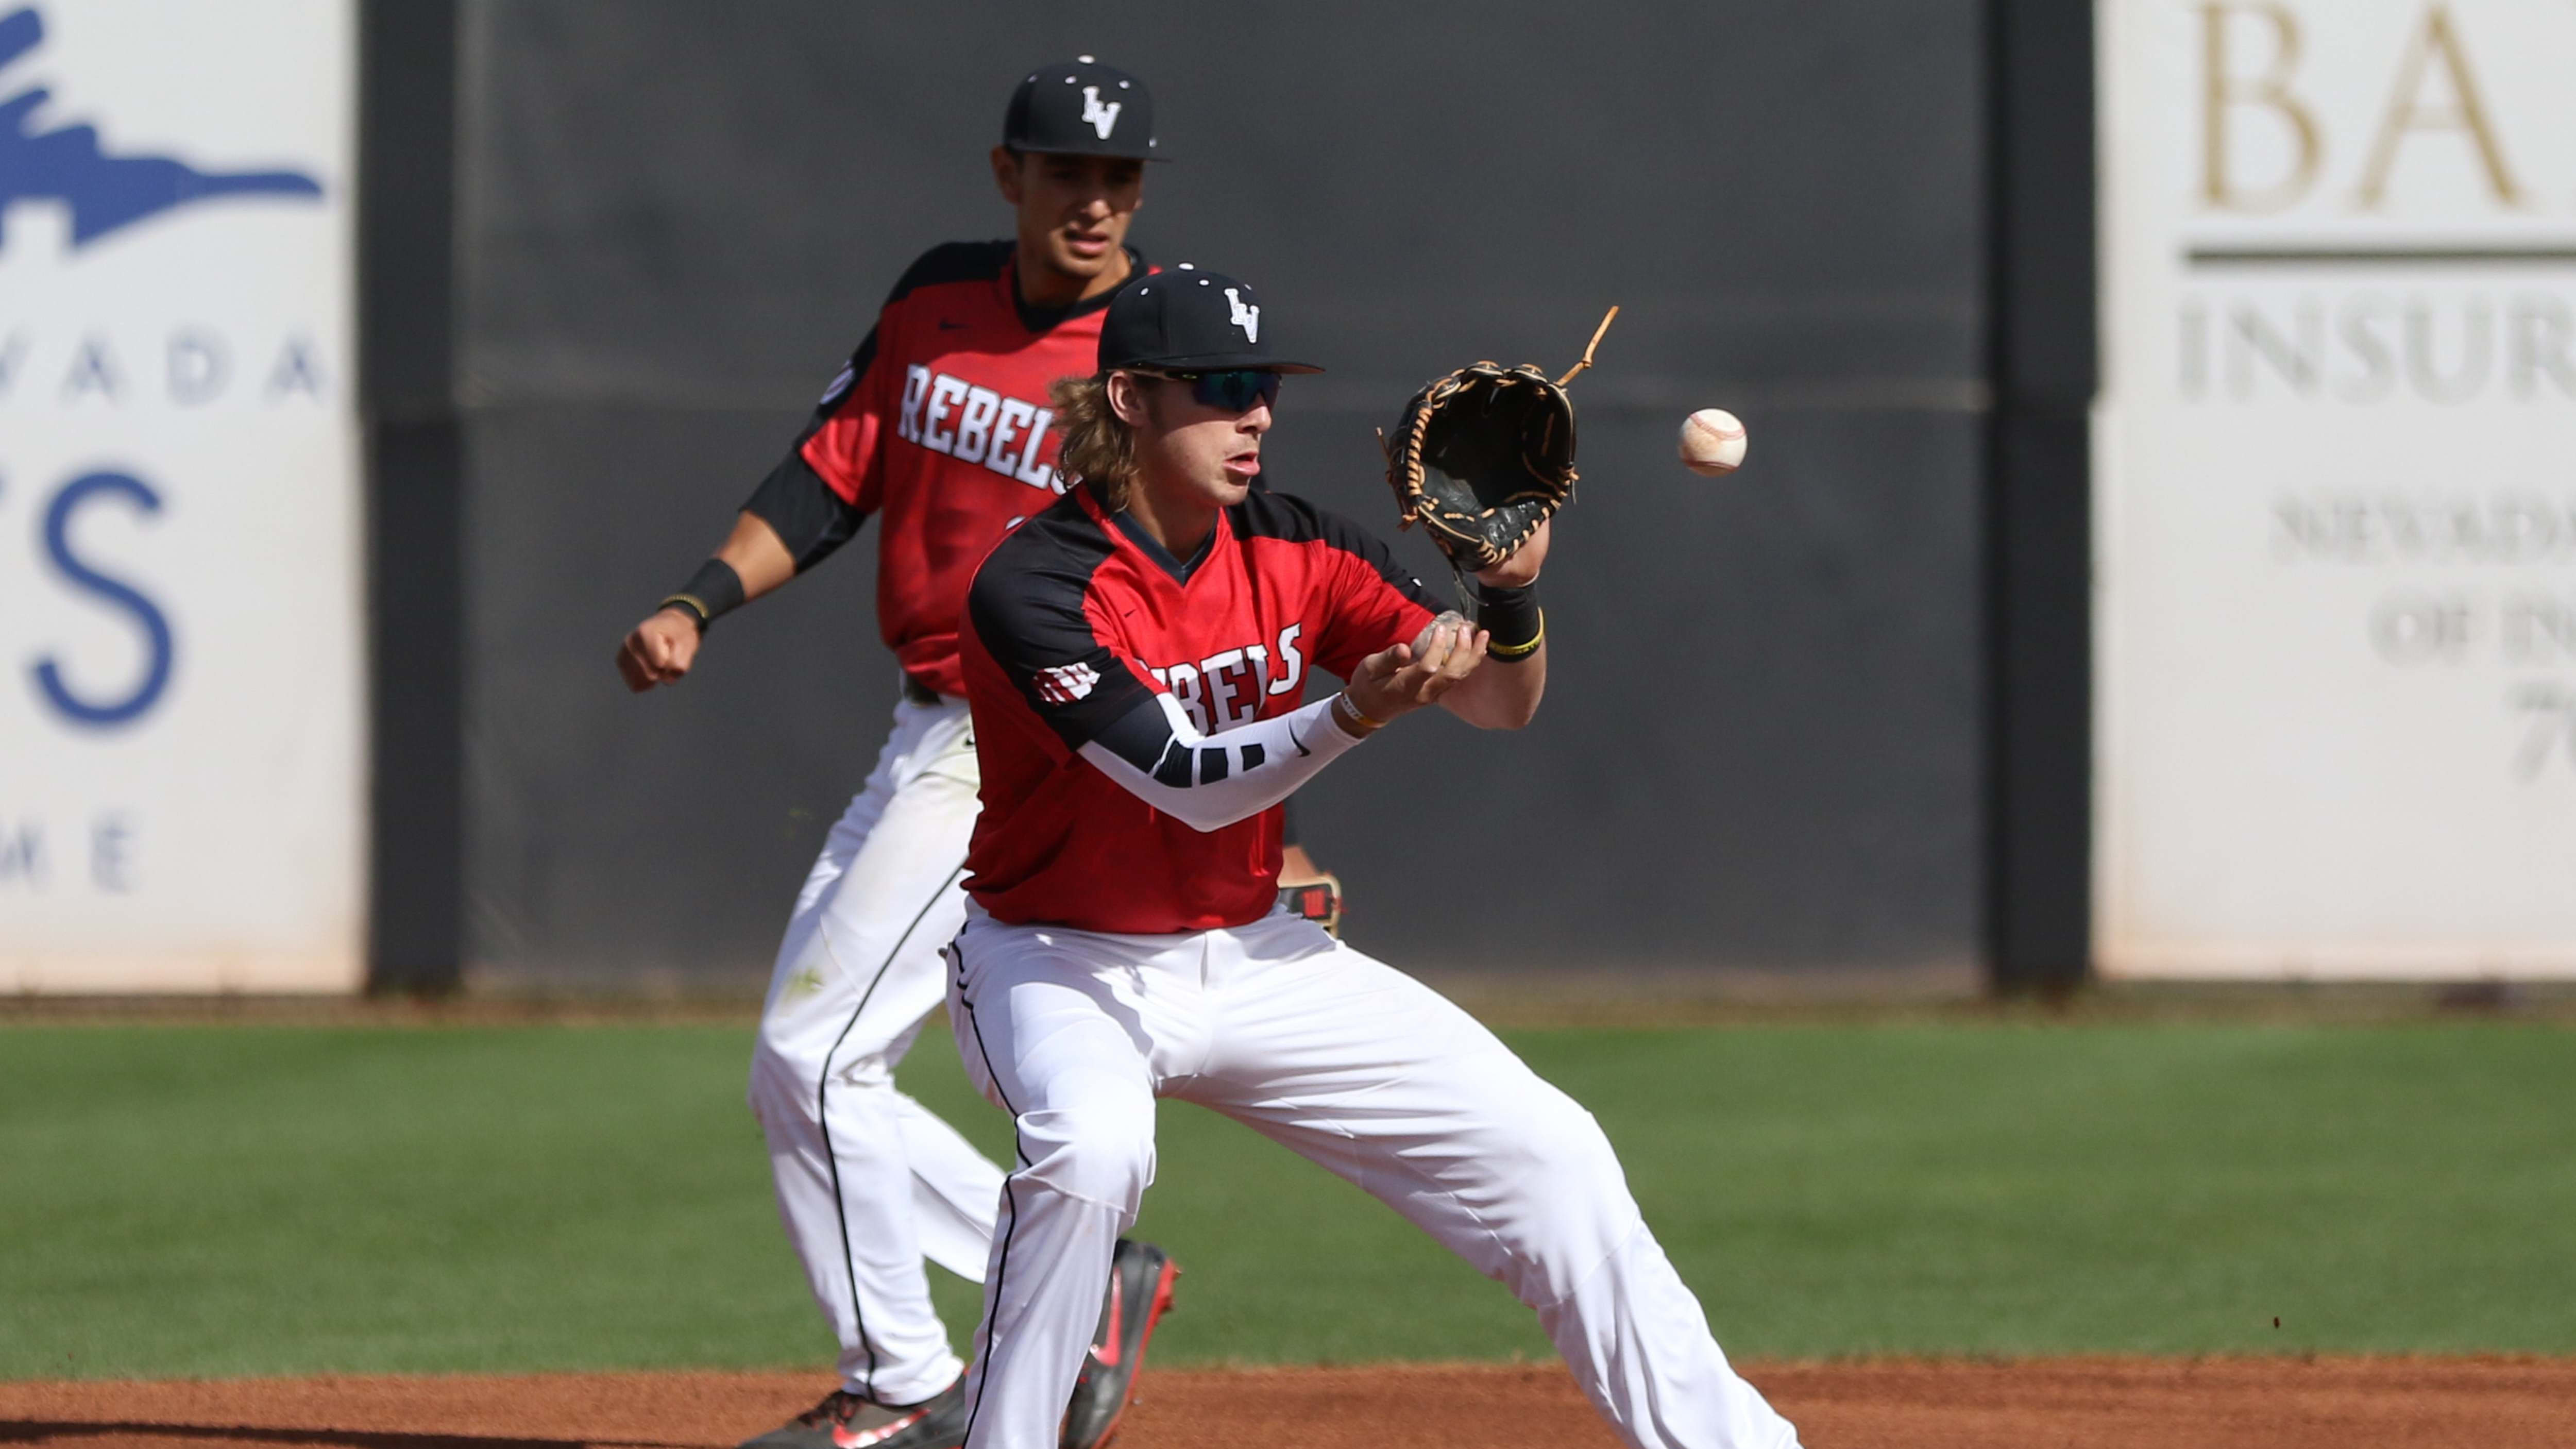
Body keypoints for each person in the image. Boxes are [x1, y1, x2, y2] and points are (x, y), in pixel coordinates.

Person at [944, 269, 1806, 1449]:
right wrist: (1342, 716)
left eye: (1265, 389)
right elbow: (1185, 783)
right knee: (1091, 1151)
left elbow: (1501, 705)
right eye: (1222, 388)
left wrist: (1508, 593)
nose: (1254, 414)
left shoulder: (1299, 543)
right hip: (1057, 958)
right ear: (1131, 399)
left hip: (1248, 951)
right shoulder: (1032, 584)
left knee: (1551, 1149)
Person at [616, 59, 1201, 1449]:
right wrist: (698, 598)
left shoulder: (1158, 343)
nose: (1096, 201)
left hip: (1030, 737)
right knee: (801, 1069)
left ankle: (908, 1383)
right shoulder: (936, 303)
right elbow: (834, 468)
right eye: (1070, 172)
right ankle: (1083, 1264)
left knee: (815, 1053)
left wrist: (1229, 799)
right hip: (926, 724)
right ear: (1013, 177)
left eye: (1120, 178)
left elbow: (1210, 572)